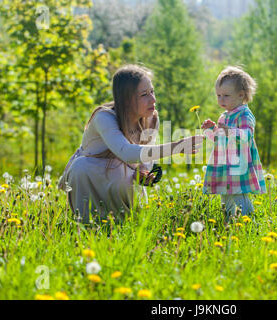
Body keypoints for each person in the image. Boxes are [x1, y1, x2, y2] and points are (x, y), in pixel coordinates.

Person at [58, 64, 204, 223]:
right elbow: (126, 152)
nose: (153, 99)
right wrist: (177, 147)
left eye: (152, 92)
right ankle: (87, 223)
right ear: (126, 100)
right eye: (144, 95)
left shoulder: (151, 118)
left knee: (124, 178)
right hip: (91, 175)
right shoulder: (104, 117)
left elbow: (145, 156)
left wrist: (144, 171)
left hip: (122, 178)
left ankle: (125, 223)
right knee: (82, 166)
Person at [201, 66, 266, 222]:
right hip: (225, 161)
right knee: (226, 192)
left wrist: (229, 130)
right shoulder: (224, 116)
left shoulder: (244, 113)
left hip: (239, 162)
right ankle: (229, 219)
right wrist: (211, 130)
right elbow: (219, 139)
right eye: (218, 95)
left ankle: (248, 218)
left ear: (241, 95)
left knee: (238, 191)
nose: (221, 100)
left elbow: (247, 135)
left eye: (226, 96)